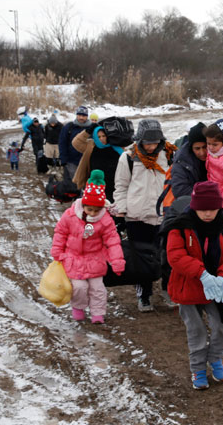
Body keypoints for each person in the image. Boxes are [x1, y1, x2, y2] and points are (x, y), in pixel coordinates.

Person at [165, 181, 223, 390]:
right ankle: (198, 368)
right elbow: (175, 256)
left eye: (212, 209)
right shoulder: (180, 227)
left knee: (221, 328)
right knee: (197, 331)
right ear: (194, 206)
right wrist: (201, 274)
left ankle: (216, 358)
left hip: (217, 289)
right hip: (189, 288)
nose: (207, 213)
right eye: (202, 209)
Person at [113, 119, 177, 312]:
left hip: (163, 216)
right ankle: (144, 295)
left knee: (167, 256)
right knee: (141, 259)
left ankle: (168, 290)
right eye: (147, 143)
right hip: (137, 216)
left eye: (155, 143)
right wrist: (122, 211)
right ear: (139, 140)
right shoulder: (128, 158)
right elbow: (121, 186)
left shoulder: (169, 154)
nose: (151, 147)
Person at [51, 170, 125, 323]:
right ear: (83, 205)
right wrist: (58, 251)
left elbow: (112, 240)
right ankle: (78, 307)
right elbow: (61, 232)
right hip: (74, 258)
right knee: (79, 287)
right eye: (89, 209)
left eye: (96, 210)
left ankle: (98, 313)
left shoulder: (104, 220)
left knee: (98, 288)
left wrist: (117, 260)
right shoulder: (70, 216)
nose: (92, 213)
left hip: (95, 258)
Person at [72, 124, 123, 202]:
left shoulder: (116, 147)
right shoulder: (90, 146)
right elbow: (76, 143)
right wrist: (87, 132)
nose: (101, 139)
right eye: (99, 137)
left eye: (103, 136)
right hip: (95, 185)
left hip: (113, 185)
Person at [170, 122, 208, 198]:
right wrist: (206, 198)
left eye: (205, 147)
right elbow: (180, 190)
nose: (202, 152)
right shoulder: (181, 162)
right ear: (191, 148)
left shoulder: (219, 157)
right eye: (197, 148)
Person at [59, 106, 92, 181]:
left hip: (87, 161)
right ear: (76, 115)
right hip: (71, 161)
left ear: (86, 116)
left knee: (85, 183)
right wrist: (63, 159)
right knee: (73, 183)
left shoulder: (91, 128)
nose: (81, 117)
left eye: (83, 116)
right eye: (79, 115)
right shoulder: (68, 127)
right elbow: (62, 143)